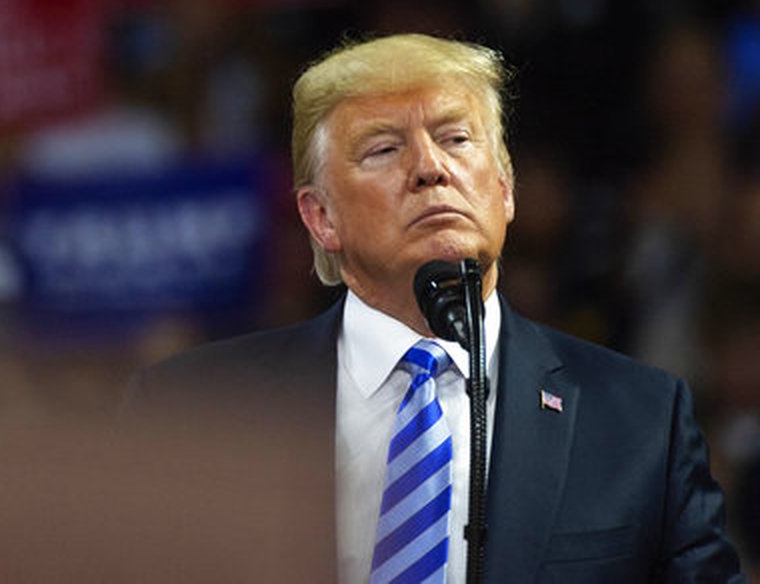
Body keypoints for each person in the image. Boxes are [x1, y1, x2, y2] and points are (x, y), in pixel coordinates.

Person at [127, 33, 744, 583]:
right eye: (383, 150)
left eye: (455, 139)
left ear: (504, 189)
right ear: (320, 217)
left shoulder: (638, 421)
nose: (430, 168)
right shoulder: (190, 410)